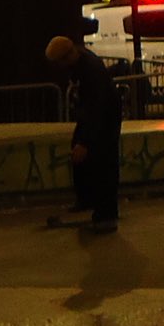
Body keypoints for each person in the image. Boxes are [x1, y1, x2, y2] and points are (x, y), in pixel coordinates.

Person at [46, 33, 121, 233]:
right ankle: (87, 199)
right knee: (82, 156)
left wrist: (85, 142)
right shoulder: (79, 62)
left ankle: (106, 215)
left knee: (103, 164)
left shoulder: (91, 70)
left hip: (105, 118)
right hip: (95, 115)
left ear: (66, 58)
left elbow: (97, 107)